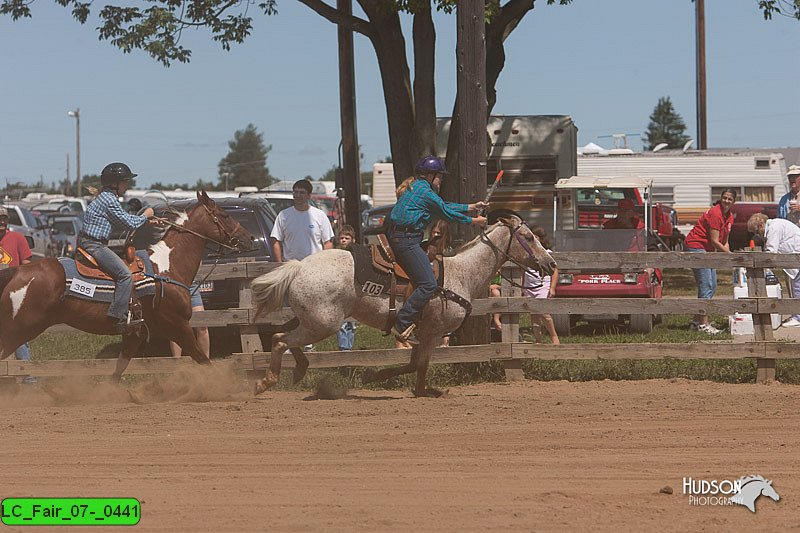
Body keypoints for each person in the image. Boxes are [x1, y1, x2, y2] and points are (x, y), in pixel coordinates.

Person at [387, 155, 487, 344]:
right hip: (407, 240)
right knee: (428, 284)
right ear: (431, 175)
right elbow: (446, 212)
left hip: (402, 237)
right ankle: (402, 323)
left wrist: (472, 206)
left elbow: (443, 206)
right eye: (440, 176)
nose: (441, 180)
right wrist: (474, 220)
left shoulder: (418, 187)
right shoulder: (426, 193)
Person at [80, 162, 161, 334]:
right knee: (125, 275)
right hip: (94, 245)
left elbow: (121, 220)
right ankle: (117, 317)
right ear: (115, 183)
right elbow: (128, 222)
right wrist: (146, 214)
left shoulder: (106, 197)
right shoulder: (109, 200)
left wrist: (146, 221)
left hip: (91, 242)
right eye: (125, 181)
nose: (127, 185)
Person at [683, 188, 737, 335]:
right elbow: (714, 241)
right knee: (706, 284)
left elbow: (724, 241)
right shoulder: (715, 213)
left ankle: (695, 322)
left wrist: (729, 258)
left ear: (733, 202)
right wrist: (732, 256)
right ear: (721, 198)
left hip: (707, 250)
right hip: (696, 246)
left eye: (729, 199)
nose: (726, 201)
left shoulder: (730, 216)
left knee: (712, 285)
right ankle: (703, 325)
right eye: (724, 198)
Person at [0, 206, 36, 383]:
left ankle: (28, 379)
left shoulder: (17, 238)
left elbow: (28, 265)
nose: (2, 222)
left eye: (4, 218)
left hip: (14, 295)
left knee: (18, 334)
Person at [748, 213, 800, 328]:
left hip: (796, 256)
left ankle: (798, 317)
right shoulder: (775, 225)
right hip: (794, 257)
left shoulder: (773, 228)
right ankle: (796, 314)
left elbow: (771, 251)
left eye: (756, 231)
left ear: (761, 224)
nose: (757, 235)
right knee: (795, 286)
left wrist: (762, 265)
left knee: (797, 287)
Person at [271, 179, 334, 262]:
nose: (298, 195)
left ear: (309, 195)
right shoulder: (283, 215)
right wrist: (279, 264)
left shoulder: (320, 215)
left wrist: (324, 263)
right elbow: (276, 241)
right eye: (296, 192)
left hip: (314, 266)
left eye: (302, 192)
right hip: (290, 267)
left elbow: (328, 243)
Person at [523, 227, 560, 345]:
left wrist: (552, 288)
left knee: (544, 313)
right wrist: (523, 287)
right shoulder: (526, 253)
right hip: (529, 286)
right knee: (534, 315)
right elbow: (523, 270)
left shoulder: (547, 253)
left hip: (542, 285)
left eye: (536, 237)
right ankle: (538, 340)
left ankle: (554, 337)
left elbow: (554, 271)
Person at [335, 225, 357, 351]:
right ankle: (344, 349)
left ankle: (350, 347)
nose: (343, 240)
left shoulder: (356, 255)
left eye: (346, 238)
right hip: (341, 292)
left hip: (353, 293)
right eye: (342, 238)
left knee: (352, 324)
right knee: (342, 323)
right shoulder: (338, 255)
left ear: (352, 240)